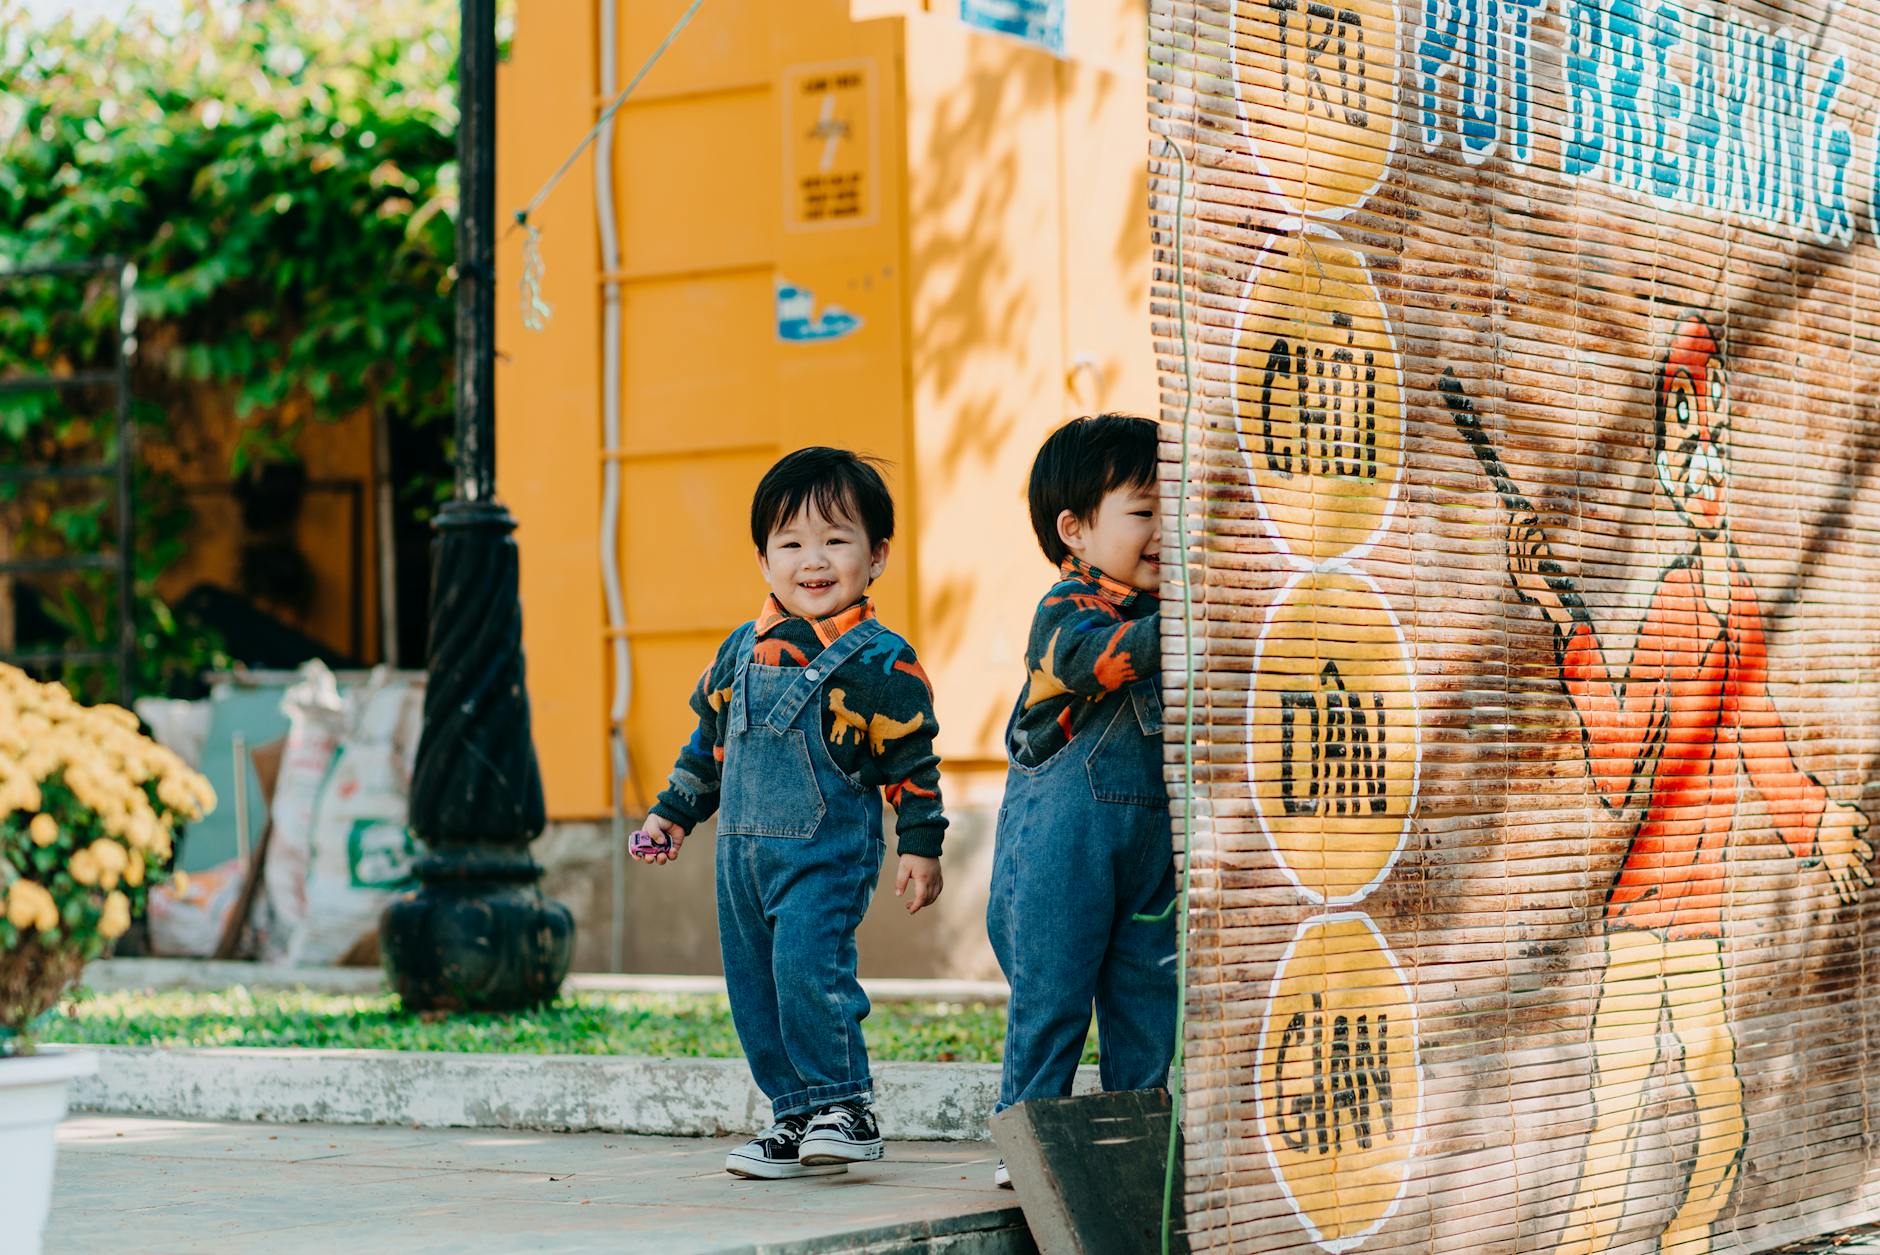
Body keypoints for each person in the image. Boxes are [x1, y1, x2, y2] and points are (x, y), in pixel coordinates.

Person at [1444, 315, 1872, 1254]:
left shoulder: (1740, 602)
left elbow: (1762, 744)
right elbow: (1621, 746)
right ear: (1664, 466)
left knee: (1721, 1119)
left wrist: (1819, 821)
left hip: (1703, 921)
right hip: (1643, 917)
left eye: (1717, 442)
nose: (1706, 466)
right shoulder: (1678, 600)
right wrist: (1565, 615)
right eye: (1687, 447)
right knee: (1617, 1121)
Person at [635, 447, 947, 1181]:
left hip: (825, 855)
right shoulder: (738, 651)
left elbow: (913, 763)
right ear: (763, 558)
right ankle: (795, 1112)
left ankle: (847, 1104)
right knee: (756, 986)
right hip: (739, 866)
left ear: (877, 556)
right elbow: (705, 748)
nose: (814, 559)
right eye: (792, 542)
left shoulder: (882, 662)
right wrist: (668, 817)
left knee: (810, 966)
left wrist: (921, 844)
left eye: (837, 540)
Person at [987, 413, 1177, 1188]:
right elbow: (1104, 660)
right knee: (1055, 992)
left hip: (1151, 849)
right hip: (1061, 847)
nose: (1168, 529)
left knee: (1147, 995)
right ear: (1075, 529)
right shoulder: (1064, 613)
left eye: (1181, 508)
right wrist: (1203, 620)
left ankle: (1138, 1139)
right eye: (1144, 511)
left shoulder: (1172, 624)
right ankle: (1030, 1138)